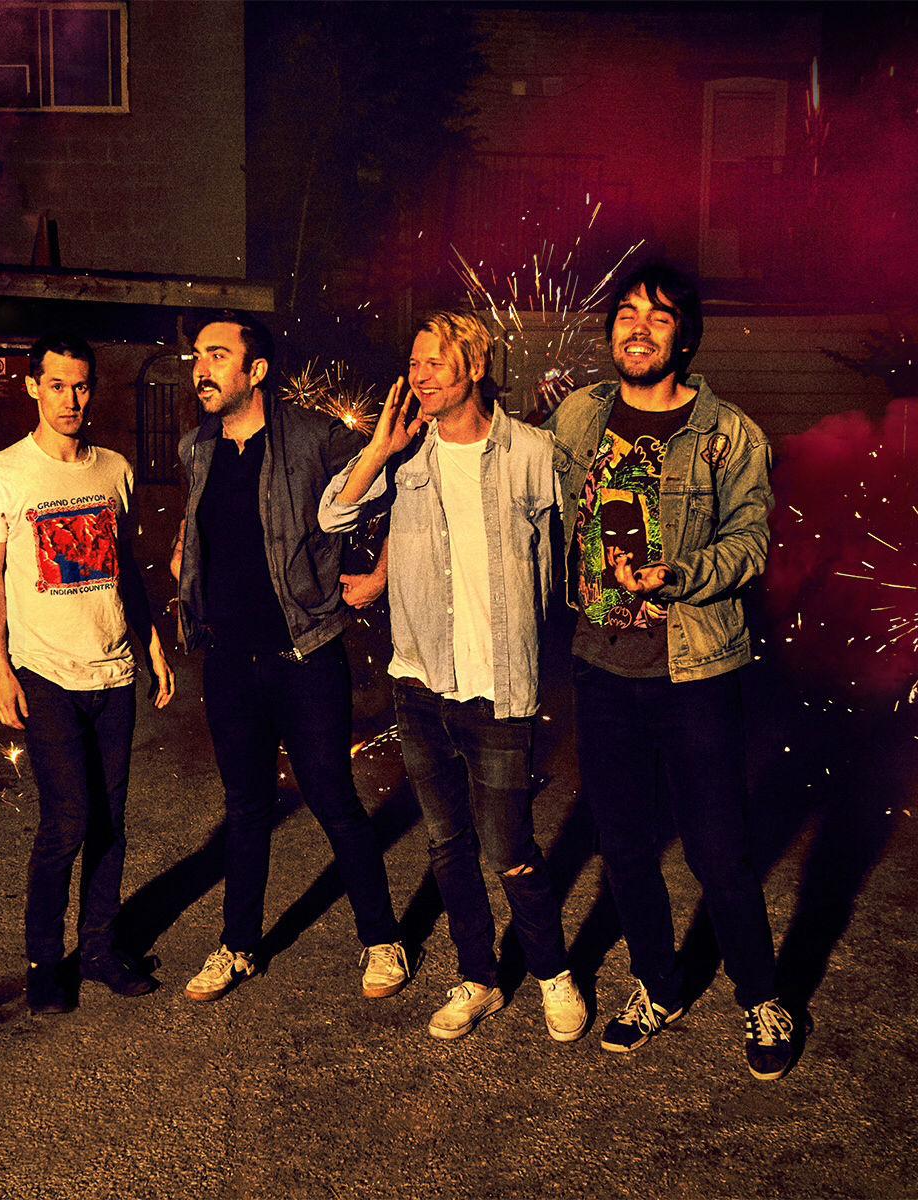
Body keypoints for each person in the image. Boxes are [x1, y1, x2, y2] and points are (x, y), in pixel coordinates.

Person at [545, 261, 795, 1079]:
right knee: (622, 846)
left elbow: (752, 543)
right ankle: (659, 986)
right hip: (599, 665)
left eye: (658, 317)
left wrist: (677, 574)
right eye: (626, 313)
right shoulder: (579, 415)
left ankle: (761, 995)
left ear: (684, 336)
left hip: (695, 669)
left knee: (717, 850)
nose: (639, 328)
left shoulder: (729, 435)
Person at [319, 312, 587, 1042]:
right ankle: (478, 978)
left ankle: (553, 973)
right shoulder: (406, 455)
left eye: (435, 362)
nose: (420, 375)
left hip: (500, 684)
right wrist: (380, 447)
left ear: (473, 365)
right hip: (420, 680)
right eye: (414, 362)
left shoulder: (531, 452)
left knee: (509, 847)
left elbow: (575, 535)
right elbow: (334, 513)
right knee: (447, 844)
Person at [169, 310, 408, 1002]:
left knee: (333, 796)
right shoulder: (195, 447)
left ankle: (382, 939)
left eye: (218, 355)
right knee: (245, 806)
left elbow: (401, 487)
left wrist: (382, 574)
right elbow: (203, 522)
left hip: (305, 652)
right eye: (198, 356)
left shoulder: (312, 436)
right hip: (227, 658)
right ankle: (238, 946)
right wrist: (186, 559)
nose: (201, 369)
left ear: (257, 370)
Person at [0, 330, 175, 1014]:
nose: (70, 399)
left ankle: (98, 950)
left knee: (111, 821)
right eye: (56, 385)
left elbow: (125, 565)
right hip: (46, 673)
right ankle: (43, 963)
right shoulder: (1, 472)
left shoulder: (114, 469)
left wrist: (151, 645)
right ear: (33, 386)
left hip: (113, 673)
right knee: (68, 819)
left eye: (81, 386)